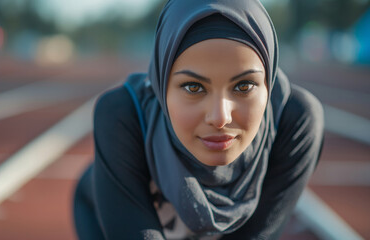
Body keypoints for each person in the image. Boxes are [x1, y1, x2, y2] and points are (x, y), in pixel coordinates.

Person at [73, 0, 324, 239]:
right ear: (162, 88)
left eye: (244, 86)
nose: (220, 118)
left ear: (268, 84)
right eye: (194, 87)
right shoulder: (122, 114)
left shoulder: (295, 121)